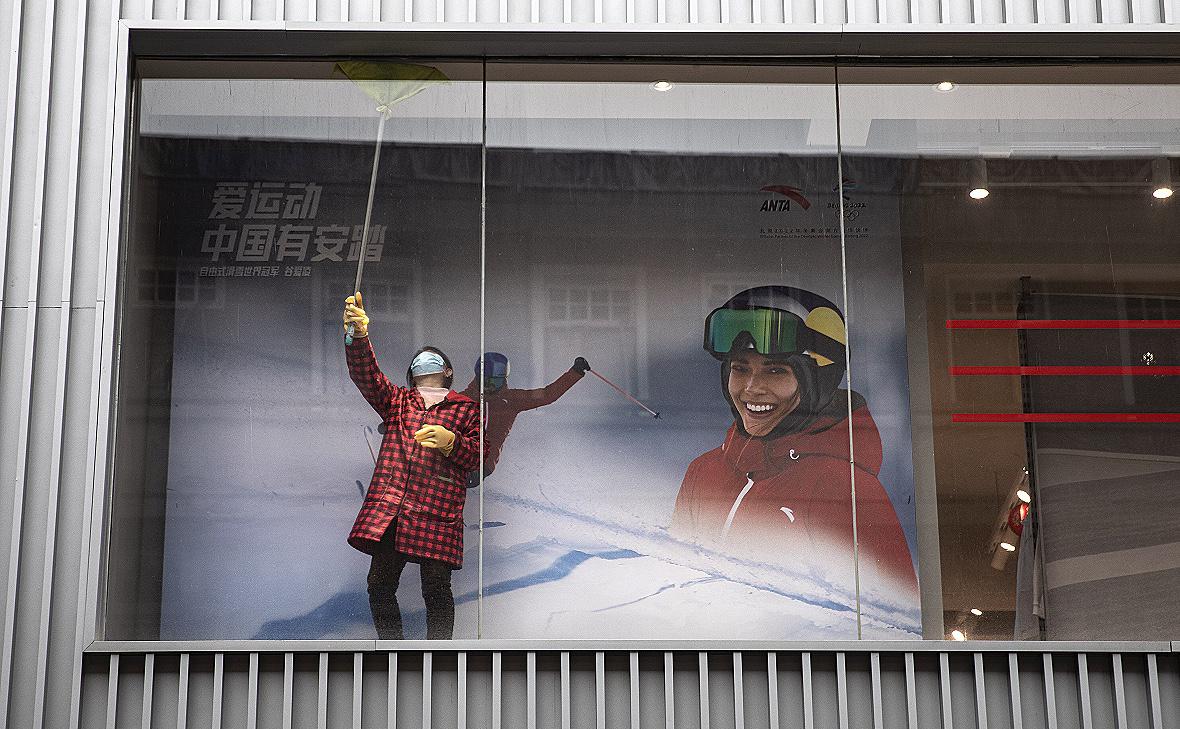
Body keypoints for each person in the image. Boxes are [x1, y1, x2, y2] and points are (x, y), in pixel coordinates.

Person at [671, 285, 918, 598]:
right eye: (740, 368)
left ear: (819, 380)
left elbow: (891, 615)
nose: (751, 388)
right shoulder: (702, 473)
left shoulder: (846, 490)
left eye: (776, 370)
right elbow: (674, 586)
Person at [342, 292, 482, 640]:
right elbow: (366, 375)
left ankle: (440, 653)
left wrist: (452, 442)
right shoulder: (398, 401)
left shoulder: (466, 409)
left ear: (448, 372)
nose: (424, 361)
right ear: (411, 375)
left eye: (432, 359)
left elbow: (478, 456)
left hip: (437, 510)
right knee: (379, 583)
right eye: (419, 361)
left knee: (436, 586)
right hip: (394, 508)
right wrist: (358, 337)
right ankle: (393, 648)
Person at [460, 352, 590, 480]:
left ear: (504, 380)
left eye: (496, 382)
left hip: (483, 464)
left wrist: (575, 372)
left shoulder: (511, 400)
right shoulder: (464, 399)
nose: (490, 387)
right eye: (486, 381)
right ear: (478, 378)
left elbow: (547, 395)